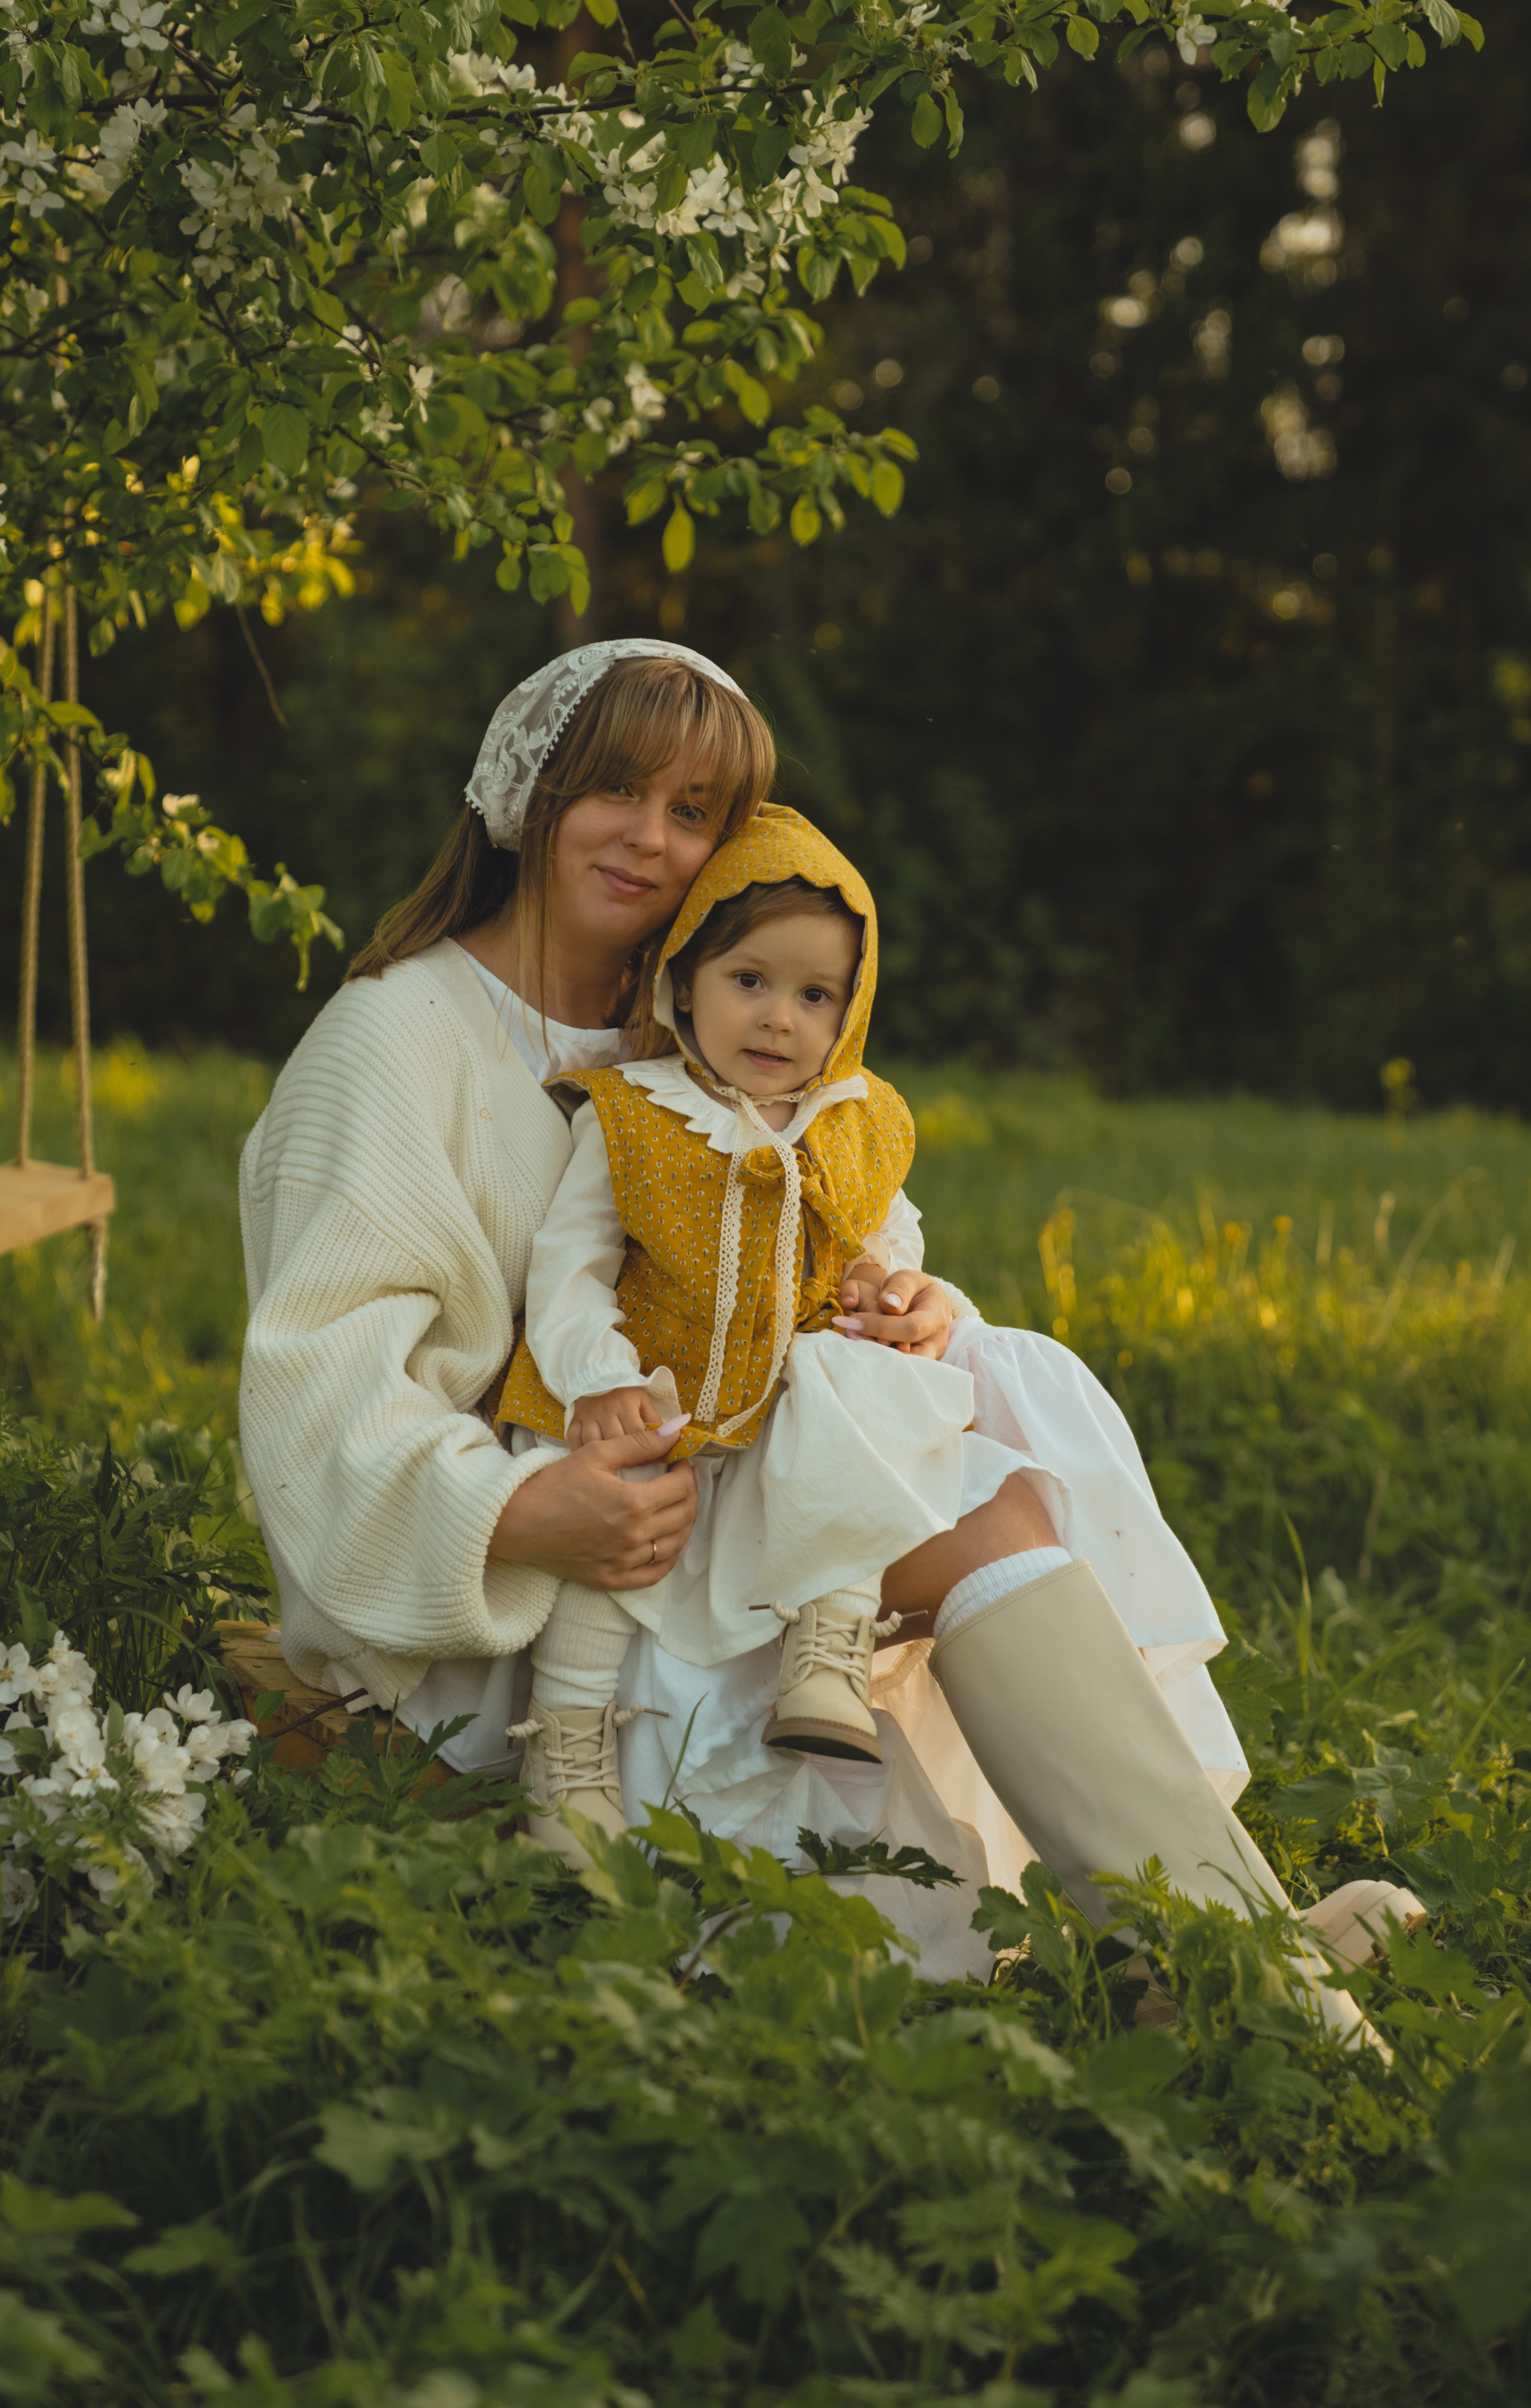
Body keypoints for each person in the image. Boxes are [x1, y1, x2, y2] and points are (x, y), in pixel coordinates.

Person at [238, 639, 1412, 2022]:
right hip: (516, 1597)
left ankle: (1211, 1956)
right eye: (615, 790)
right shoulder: (391, 1044)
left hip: (705, 1494)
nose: (650, 841)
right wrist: (521, 1513)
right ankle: (1222, 1964)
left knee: (988, 1438)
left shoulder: (682, 1025)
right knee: (980, 1513)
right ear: (526, 792)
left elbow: (780, 1263)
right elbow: (315, 1409)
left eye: (694, 817)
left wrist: (905, 1310)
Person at [495, 806, 978, 1859]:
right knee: (616, 1508)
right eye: (749, 981)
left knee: (875, 1391)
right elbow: (568, 1268)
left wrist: (890, 1288)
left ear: (848, 1014)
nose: (779, 1021)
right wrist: (596, 1379)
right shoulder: (633, 1113)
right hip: (648, 1395)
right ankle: (565, 1757)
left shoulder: (853, 1119)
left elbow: (892, 1232)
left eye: (815, 997)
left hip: (774, 1411)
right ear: (682, 983)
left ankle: (828, 1642)